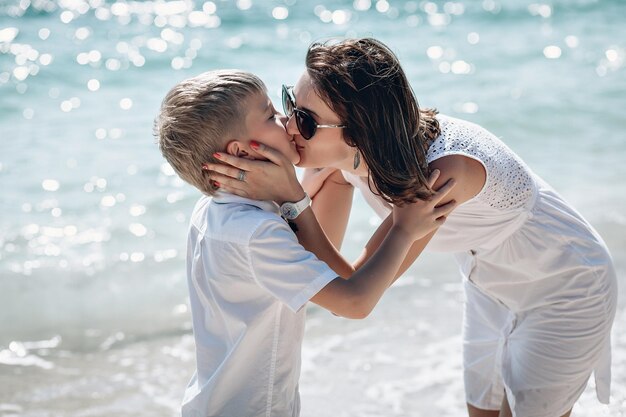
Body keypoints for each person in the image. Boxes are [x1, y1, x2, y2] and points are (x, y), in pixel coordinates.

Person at [203, 39, 618, 417]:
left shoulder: (443, 174)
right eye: (289, 105)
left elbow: (355, 287)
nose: (290, 127)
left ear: (359, 132)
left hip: (567, 285)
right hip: (487, 285)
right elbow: (323, 264)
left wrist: (295, 198)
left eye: (307, 122)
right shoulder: (339, 162)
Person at [153, 69, 457, 417]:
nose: (286, 121)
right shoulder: (257, 234)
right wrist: (404, 229)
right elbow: (354, 302)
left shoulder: (214, 211)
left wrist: (313, 181)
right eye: (270, 115)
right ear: (242, 152)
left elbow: (309, 244)